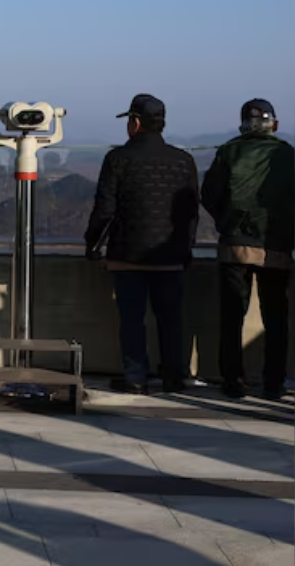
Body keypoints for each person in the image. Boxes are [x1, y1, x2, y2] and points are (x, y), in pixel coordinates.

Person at [84, 94, 200, 395]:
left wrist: (92, 244)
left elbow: (104, 209)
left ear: (135, 123)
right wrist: (186, 250)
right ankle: (174, 375)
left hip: (127, 254)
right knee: (171, 318)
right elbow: (190, 214)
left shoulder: (117, 159)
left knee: (132, 319)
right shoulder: (183, 160)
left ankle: (136, 377)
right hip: (170, 254)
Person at [201, 99, 294, 400]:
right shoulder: (286, 153)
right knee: (276, 319)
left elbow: (209, 194)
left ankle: (233, 381)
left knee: (231, 317)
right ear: (274, 124)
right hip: (276, 248)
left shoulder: (228, 151)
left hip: (234, 247)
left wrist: (227, 223)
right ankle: (273, 383)